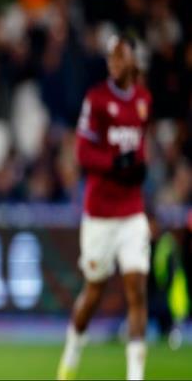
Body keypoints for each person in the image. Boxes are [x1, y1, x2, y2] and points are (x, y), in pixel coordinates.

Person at [57, 35, 152, 381]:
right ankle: (71, 354)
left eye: (119, 57)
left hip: (132, 211)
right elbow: (83, 153)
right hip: (99, 213)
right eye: (110, 58)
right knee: (94, 292)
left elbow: (139, 151)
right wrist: (115, 163)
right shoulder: (97, 99)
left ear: (132, 60)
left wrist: (139, 166)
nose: (113, 63)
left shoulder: (143, 100)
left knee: (136, 290)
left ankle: (135, 375)